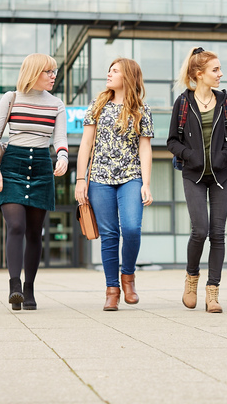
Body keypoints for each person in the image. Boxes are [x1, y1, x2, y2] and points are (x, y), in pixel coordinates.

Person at [0, 53, 68, 311]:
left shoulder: (57, 104)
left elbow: (60, 138)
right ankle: (14, 286)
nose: (53, 75)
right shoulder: (10, 98)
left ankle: (29, 288)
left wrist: (63, 157)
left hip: (42, 168)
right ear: (34, 72)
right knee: (16, 225)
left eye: (54, 71)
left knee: (35, 232)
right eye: (48, 71)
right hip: (12, 166)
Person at [75, 58, 153, 311]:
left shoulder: (142, 109)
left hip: (131, 176)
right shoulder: (97, 106)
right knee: (109, 235)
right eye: (109, 70)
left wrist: (147, 183)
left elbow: (145, 148)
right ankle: (112, 289)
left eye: (115, 71)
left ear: (128, 76)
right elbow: (85, 145)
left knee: (131, 228)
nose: (109, 74)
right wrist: (79, 180)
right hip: (99, 178)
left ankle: (128, 277)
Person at [167, 47, 227, 313]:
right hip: (194, 175)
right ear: (199, 74)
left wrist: (223, 156)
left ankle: (213, 292)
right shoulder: (183, 103)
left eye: (219, 69)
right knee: (200, 230)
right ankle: (191, 279)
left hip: (221, 175)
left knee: (218, 233)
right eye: (215, 70)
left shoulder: (225, 101)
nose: (220, 74)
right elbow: (171, 142)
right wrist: (191, 155)